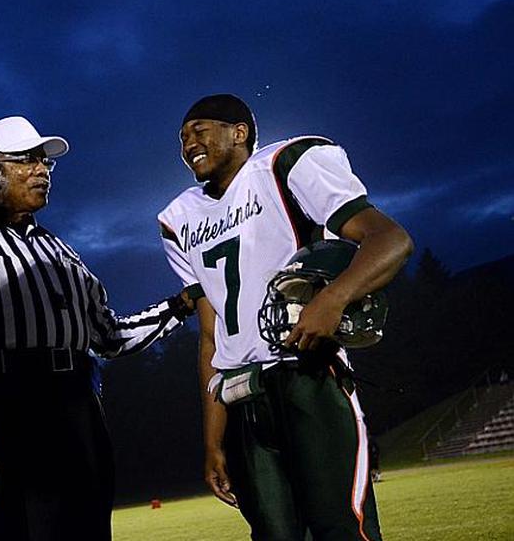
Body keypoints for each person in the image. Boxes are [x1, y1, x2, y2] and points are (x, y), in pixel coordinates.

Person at [158, 94, 413, 540]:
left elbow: (389, 239)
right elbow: (210, 337)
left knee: (342, 530)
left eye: (200, 130)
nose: (188, 144)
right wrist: (213, 442)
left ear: (240, 133)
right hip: (241, 398)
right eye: (182, 138)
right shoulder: (179, 219)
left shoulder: (285, 164)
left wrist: (331, 300)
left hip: (307, 375)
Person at [0, 116, 198, 541]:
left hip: (78, 404)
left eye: (45, 163)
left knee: (88, 528)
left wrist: (180, 305)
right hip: (4, 402)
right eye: (25, 160)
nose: (42, 171)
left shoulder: (62, 251)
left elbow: (108, 336)